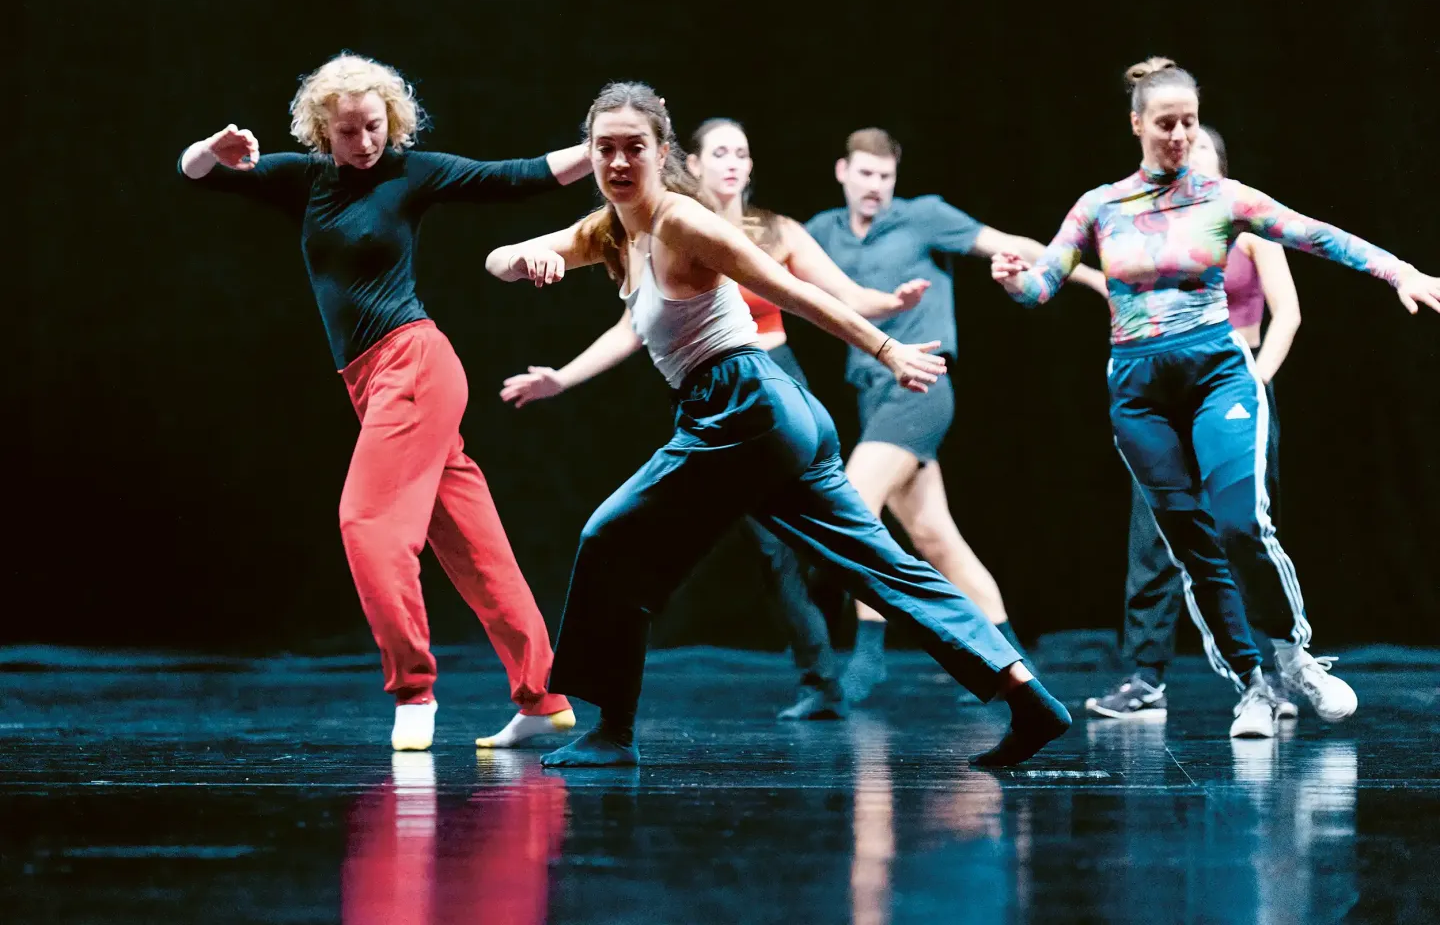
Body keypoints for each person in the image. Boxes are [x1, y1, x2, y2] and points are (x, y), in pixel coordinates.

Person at [485, 81, 1072, 768]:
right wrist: (530, 259)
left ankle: (613, 731)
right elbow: (497, 260)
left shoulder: (683, 221)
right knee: (883, 566)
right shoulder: (616, 229)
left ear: (663, 152)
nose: (618, 162)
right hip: (769, 416)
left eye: (633, 148)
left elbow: (793, 290)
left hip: (740, 407)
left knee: (608, 539)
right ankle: (1030, 699)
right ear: (589, 155)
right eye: (604, 149)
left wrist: (885, 347)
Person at [991, 57, 1440, 738]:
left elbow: (1317, 234)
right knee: (1190, 549)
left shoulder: (1225, 200)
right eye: (1165, 123)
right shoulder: (1100, 207)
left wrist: (1397, 269)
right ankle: (1252, 682)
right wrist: (1013, 279)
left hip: (1218, 374)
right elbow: (1045, 283)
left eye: (1189, 124)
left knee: (1240, 523)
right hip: (1138, 391)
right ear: (1137, 124)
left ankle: (1294, 654)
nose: (1177, 136)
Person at [179, 52, 589, 751]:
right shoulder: (300, 180)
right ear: (322, 130)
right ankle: (542, 694)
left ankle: (413, 691)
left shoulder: (412, 172)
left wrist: (603, 149)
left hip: (414, 365)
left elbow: (517, 176)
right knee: (472, 543)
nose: (364, 143)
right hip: (371, 384)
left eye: (374, 127)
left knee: (366, 522)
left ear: (391, 122)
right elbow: (195, 172)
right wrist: (210, 150)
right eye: (348, 132)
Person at [498, 117, 927, 720]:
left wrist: (890, 310)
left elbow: (832, 294)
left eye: (742, 153)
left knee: (835, 540)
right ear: (692, 163)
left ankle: (959, 655)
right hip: (720, 403)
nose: (732, 163)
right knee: (769, 549)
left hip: (773, 390)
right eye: (719, 152)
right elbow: (632, 328)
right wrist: (562, 377)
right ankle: (822, 681)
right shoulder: (661, 225)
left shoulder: (776, 231)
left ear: (751, 167)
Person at [805, 129, 1107, 702]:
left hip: (922, 387)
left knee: (851, 507)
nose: (875, 187)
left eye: (885, 176)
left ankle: (869, 655)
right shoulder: (822, 232)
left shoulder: (923, 218)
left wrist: (1088, 276)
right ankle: (1008, 657)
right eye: (865, 174)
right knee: (936, 539)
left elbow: (1005, 243)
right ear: (843, 171)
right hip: (872, 393)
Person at [1085, 125, 1303, 721]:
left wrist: (1257, 378)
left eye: (1201, 154)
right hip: (1166, 394)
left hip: (1236, 390)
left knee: (1243, 531)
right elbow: (1118, 296)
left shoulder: (1248, 224)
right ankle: (1146, 677)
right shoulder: (1150, 233)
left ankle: (1276, 675)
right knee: (1155, 537)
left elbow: (1287, 313)